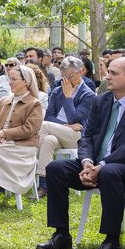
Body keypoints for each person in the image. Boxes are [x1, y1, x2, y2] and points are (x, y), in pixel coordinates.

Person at [36, 56, 125, 249]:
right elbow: (87, 136)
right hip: (94, 164)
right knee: (56, 168)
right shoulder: (100, 100)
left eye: (113, 73)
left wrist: (102, 165)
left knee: (110, 172)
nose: (107, 76)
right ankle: (61, 234)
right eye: (108, 71)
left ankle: (111, 242)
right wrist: (86, 162)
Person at [0, 65, 44, 204]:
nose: (10, 82)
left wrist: (2, 134)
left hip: (20, 150)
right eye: (9, 78)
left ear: (26, 81)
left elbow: (29, 129)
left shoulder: (35, 104)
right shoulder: (4, 100)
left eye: (14, 79)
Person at [38, 56, 96, 188]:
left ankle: (24, 162)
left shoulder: (88, 95)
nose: (66, 80)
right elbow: (49, 116)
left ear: (81, 72)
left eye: (70, 76)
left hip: (77, 136)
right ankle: (44, 184)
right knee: (48, 140)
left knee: (44, 126)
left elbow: (74, 119)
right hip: (59, 130)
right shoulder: (58, 91)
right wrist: (65, 125)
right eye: (63, 76)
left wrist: (68, 97)